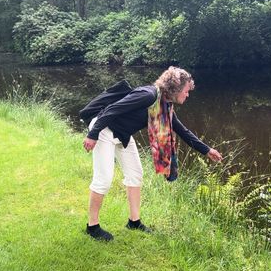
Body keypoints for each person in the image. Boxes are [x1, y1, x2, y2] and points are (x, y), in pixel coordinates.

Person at [82, 66, 223, 241]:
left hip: (122, 134)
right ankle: (92, 227)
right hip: (104, 129)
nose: (188, 95)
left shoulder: (165, 105)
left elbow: (182, 130)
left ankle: (134, 222)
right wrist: (92, 134)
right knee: (104, 179)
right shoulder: (148, 95)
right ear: (176, 88)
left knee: (135, 175)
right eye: (186, 91)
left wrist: (207, 150)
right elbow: (112, 110)